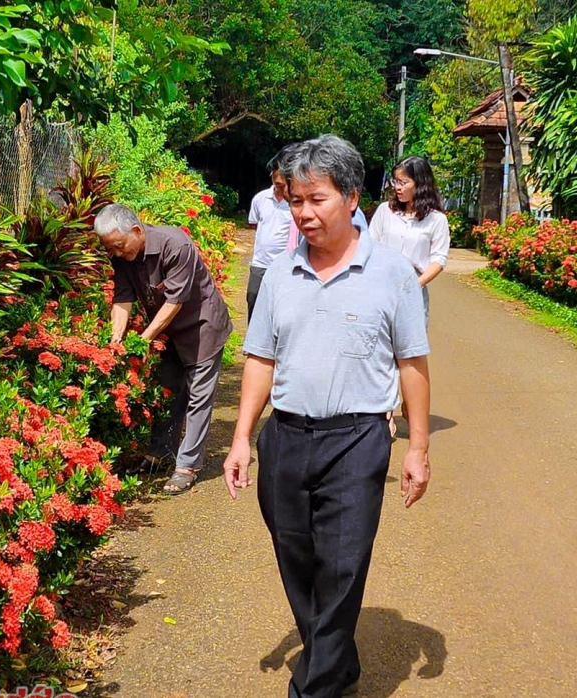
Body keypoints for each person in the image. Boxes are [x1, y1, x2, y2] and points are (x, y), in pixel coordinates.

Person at [223, 135, 432, 698]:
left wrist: (417, 448)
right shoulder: (279, 275)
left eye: (316, 199)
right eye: (295, 200)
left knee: (341, 568)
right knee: (299, 562)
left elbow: (412, 363)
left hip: (358, 440)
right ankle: (339, 661)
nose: (303, 213)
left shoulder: (391, 273)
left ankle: (315, 687)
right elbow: (260, 359)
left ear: (351, 196)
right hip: (286, 438)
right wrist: (241, 438)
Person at [94, 204, 233, 495]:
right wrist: (116, 336)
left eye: (119, 246)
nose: (117, 254)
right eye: (112, 250)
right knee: (168, 389)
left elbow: (174, 301)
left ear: (135, 230)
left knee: (198, 396)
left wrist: (144, 338)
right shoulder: (122, 256)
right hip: (167, 330)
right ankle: (159, 453)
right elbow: (122, 297)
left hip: (201, 327)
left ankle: (187, 466)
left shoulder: (175, 244)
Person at [368, 155, 451, 322]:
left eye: (403, 182)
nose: (397, 187)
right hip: (381, 288)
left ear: (420, 184)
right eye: (395, 181)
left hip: (414, 293)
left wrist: (415, 285)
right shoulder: (386, 211)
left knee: (410, 345)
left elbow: (439, 259)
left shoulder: (437, 219)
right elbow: (369, 245)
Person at [247, 151, 294, 325]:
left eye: (283, 185)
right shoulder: (260, 199)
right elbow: (254, 224)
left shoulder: (295, 203)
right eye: (276, 184)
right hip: (260, 262)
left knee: (279, 306)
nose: (279, 188)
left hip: (284, 264)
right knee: (253, 299)